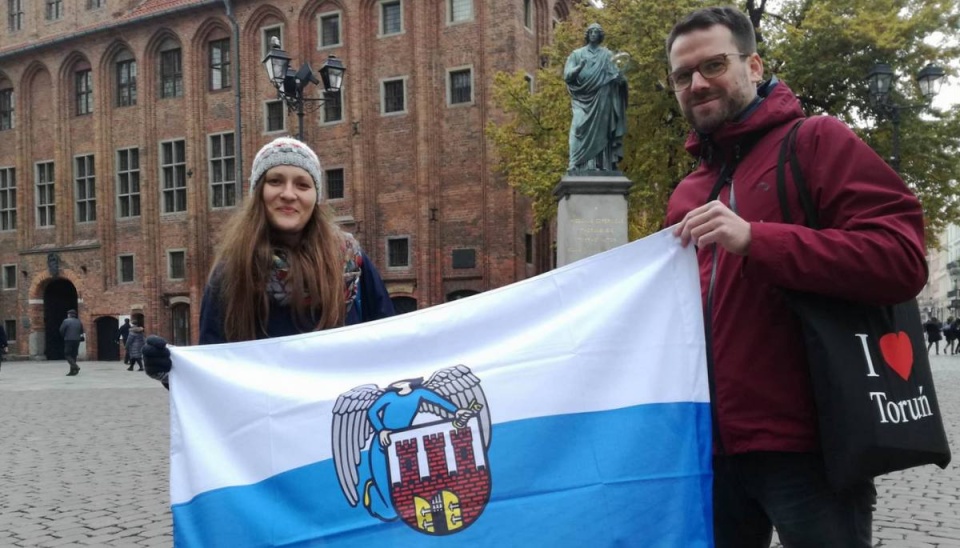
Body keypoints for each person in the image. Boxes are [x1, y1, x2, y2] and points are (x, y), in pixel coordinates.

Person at [664, 6, 927, 547]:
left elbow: (901, 259)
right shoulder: (688, 192)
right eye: (682, 75)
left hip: (810, 449)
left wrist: (757, 239)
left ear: (754, 65)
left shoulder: (816, 142)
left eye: (713, 65)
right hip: (710, 453)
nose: (697, 83)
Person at [144, 136, 395, 384]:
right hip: (268, 420)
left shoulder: (352, 262)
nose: (288, 194)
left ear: (315, 198)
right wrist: (173, 372)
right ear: (258, 192)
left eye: (302, 185)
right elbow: (214, 368)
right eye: (275, 181)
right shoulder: (231, 271)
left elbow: (392, 345)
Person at [564, 23, 628, 173]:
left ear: (600, 35)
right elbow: (567, 76)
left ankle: (602, 165)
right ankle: (575, 163)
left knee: (602, 131)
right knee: (578, 126)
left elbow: (616, 76)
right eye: (591, 31)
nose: (593, 34)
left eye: (596, 32)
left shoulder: (607, 55)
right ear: (587, 35)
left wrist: (621, 80)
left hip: (603, 97)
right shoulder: (576, 54)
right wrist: (579, 68)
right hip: (582, 99)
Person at [60, 309, 85, 376]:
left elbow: (61, 330)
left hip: (69, 340)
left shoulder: (66, 321)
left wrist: (65, 336)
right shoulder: (79, 321)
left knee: (67, 354)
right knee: (74, 355)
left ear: (69, 315)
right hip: (77, 340)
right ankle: (73, 371)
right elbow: (82, 331)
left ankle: (75, 366)